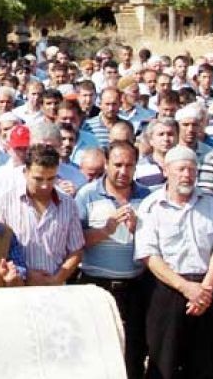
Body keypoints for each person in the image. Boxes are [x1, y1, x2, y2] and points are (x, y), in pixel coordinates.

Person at [135, 146, 213, 379]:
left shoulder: (211, 202)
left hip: (207, 291)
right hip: (167, 290)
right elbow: (149, 255)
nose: (187, 175)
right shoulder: (151, 206)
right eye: (181, 169)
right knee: (164, 364)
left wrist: (205, 289)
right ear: (166, 170)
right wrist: (186, 288)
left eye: (192, 169)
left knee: (205, 364)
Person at [74, 141, 152, 378]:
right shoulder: (87, 195)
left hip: (136, 286)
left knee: (134, 354)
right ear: (106, 164)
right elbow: (76, 241)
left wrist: (137, 229)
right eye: (117, 164)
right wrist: (105, 230)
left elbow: (156, 244)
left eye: (129, 165)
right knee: (98, 352)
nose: (123, 171)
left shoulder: (147, 197)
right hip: (97, 285)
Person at [0, 144, 84, 286]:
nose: (45, 185)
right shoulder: (4, 203)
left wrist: (57, 279)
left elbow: (76, 251)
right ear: (25, 172)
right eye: (38, 179)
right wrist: (25, 274)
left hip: (56, 289)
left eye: (51, 179)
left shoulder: (68, 204)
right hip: (16, 287)